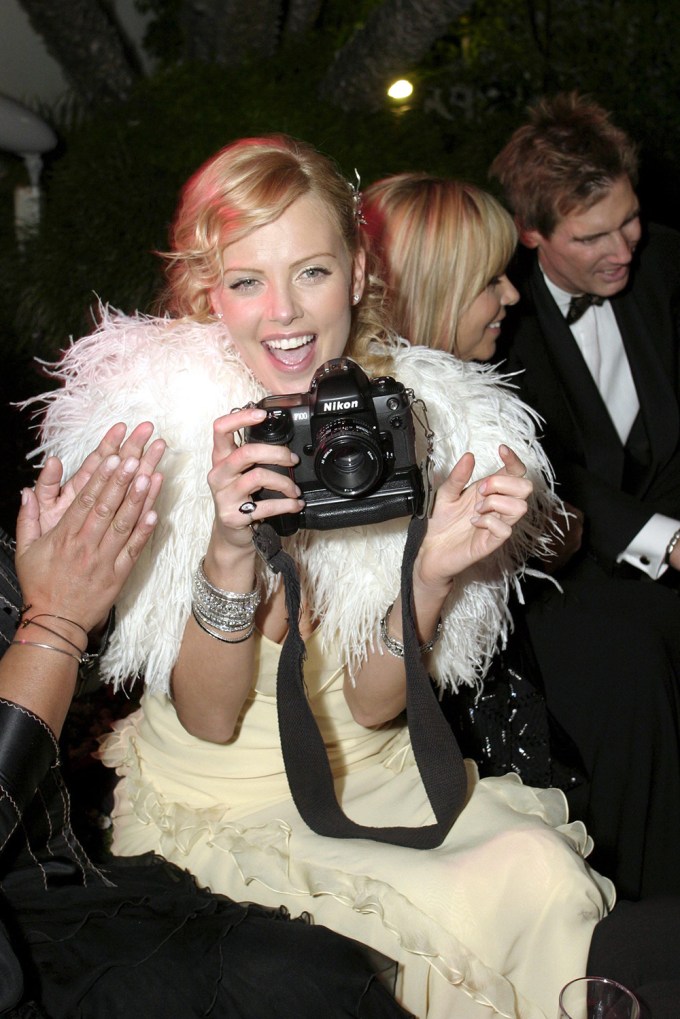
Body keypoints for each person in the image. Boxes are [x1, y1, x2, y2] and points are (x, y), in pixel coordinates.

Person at [28, 134, 615, 1019]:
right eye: (245, 280)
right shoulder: (157, 433)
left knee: (540, 876)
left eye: (311, 271)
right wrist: (229, 547)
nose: (282, 314)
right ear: (203, 291)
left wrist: (429, 575)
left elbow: (378, 705)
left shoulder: (424, 420)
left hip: (379, 770)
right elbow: (211, 717)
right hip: (222, 794)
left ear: (357, 271)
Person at [0, 423, 411, 1018]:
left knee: (314, 973)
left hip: (57, 881)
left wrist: (62, 584)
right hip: (38, 923)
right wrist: (56, 622)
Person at [488, 92, 680, 900]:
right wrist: (665, 540)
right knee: (638, 667)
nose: (621, 247)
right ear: (532, 234)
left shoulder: (666, 260)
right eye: (591, 235)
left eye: (628, 220)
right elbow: (555, 476)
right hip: (561, 565)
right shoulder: (502, 318)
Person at [360, 171, 588, 790]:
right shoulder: (429, 427)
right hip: (444, 719)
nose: (511, 296)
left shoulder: (476, 396)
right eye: (490, 282)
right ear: (438, 292)